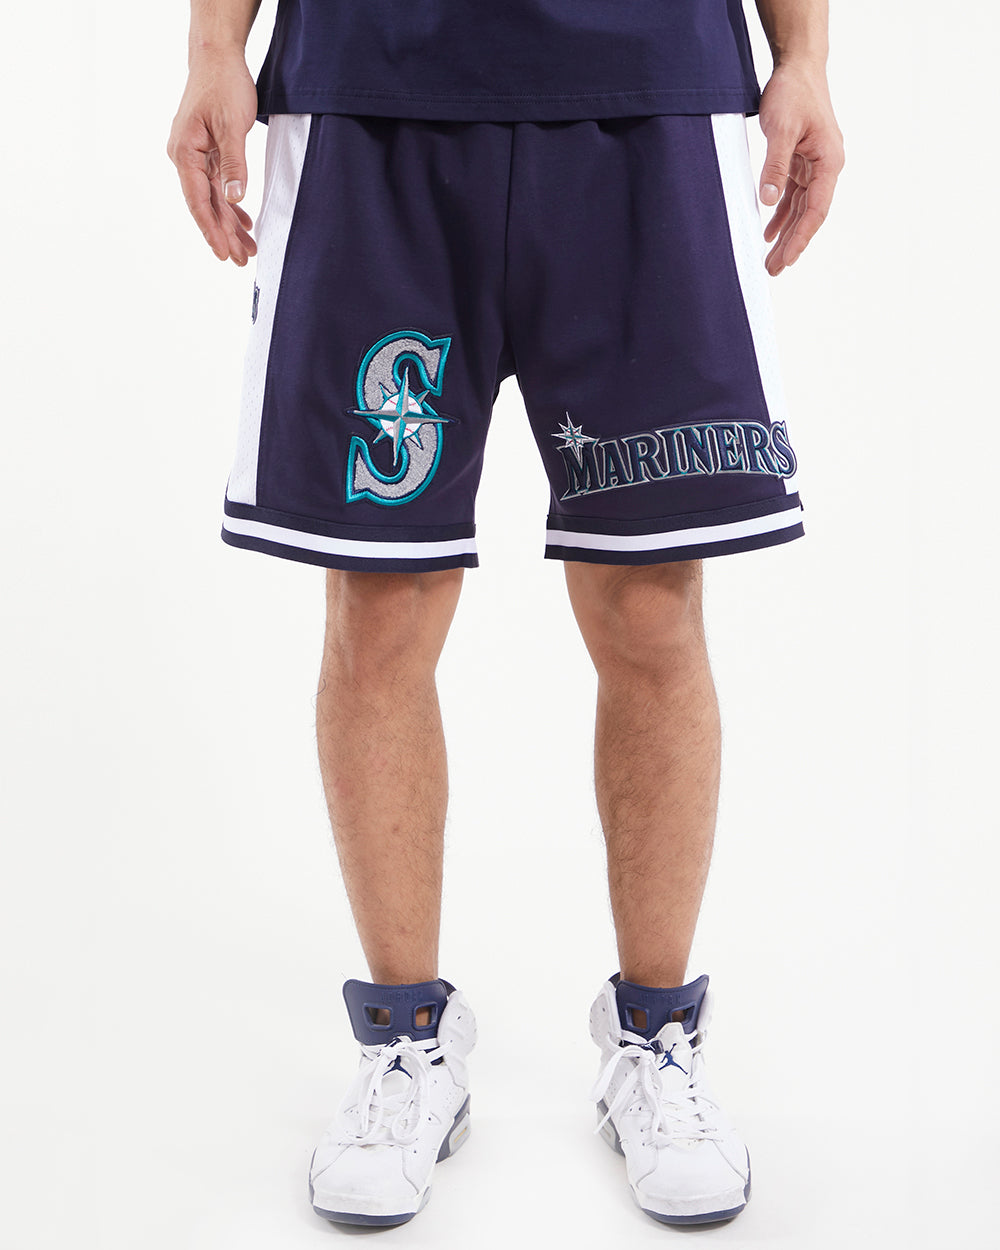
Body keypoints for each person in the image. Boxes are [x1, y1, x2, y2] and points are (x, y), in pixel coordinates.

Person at [168, 0, 844, 1228]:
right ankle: (404, 1042)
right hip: (374, 88)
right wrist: (215, 46)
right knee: (380, 603)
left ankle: (655, 1037)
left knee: (649, 604)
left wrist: (805, 57)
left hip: (649, 89)